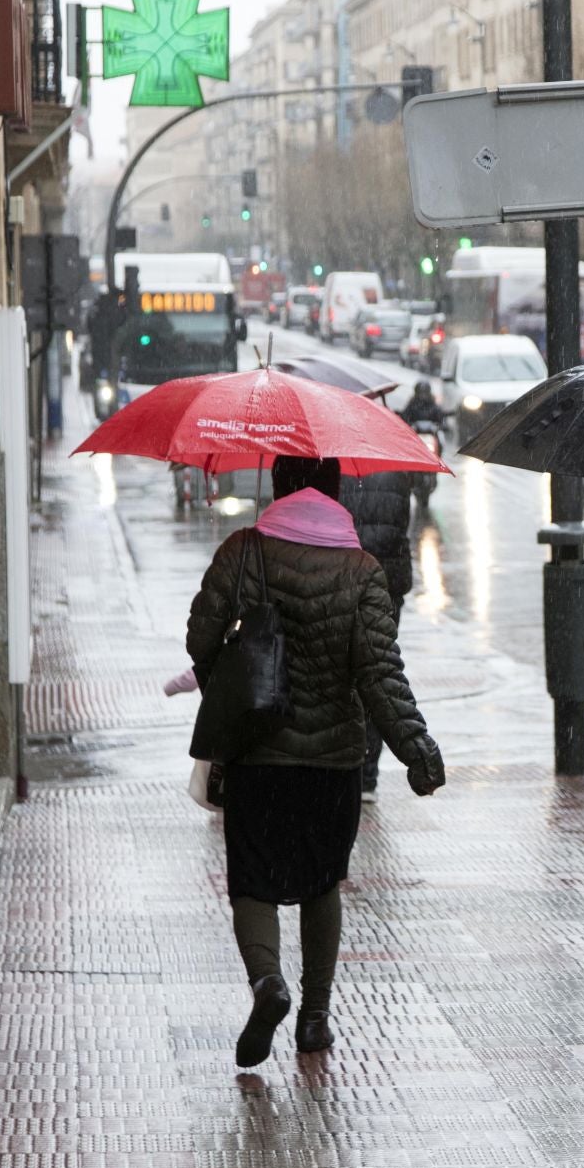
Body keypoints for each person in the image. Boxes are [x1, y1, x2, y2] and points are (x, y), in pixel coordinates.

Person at [186, 456, 444, 1068]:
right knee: (322, 880)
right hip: (332, 762)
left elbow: (200, 637)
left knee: (254, 880)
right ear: (336, 490)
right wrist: (416, 749)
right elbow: (381, 673)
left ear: (277, 486)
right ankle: (314, 1017)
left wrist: (228, 675)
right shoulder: (362, 570)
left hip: (256, 755)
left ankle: (267, 982)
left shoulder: (243, 551)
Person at [337, 467, 415, 803]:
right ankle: (367, 775)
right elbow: (401, 524)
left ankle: (341, 763)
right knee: (375, 674)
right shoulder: (397, 466)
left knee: (338, 675)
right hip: (385, 583)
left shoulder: (330, 462)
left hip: (341, 579)